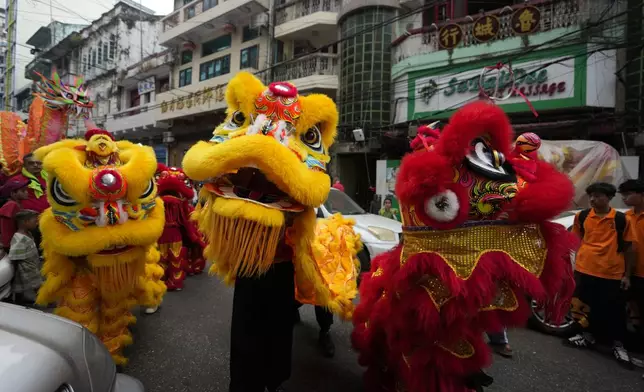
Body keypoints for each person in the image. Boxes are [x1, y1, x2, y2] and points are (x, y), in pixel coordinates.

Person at [566, 182, 633, 367]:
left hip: (611, 272)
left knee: (615, 311)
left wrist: (627, 275)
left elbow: (628, 248)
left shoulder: (621, 219)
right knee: (587, 306)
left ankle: (619, 345)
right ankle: (587, 336)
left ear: (609, 197)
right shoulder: (582, 216)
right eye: (591, 196)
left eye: (598, 196)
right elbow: (576, 241)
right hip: (585, 268)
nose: (593, 200)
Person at [618, 180, 644, 349]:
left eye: (627, 195)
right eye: (623, 195)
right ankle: (637, 339)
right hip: (630, 272)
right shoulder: (626, 217)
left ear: (640, 194)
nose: (624, 199)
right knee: (633, 307)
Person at [9, 209, 43, 306]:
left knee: (20, 286)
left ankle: (20, 301)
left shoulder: (28, 234)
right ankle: (46, 301)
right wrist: (16, 271)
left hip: (31, 263)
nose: (36, 224)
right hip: (26, 266)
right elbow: (14, 256)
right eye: (34, 221)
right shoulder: (19, 238)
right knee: (38, 284)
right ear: (25, 222)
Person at [0, 177, 30, 253]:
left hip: (16, 242)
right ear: (13, 194)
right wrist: (8, 246)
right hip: (12, 245)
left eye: (26, 190)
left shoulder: (17, 204)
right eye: (23, 191)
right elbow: (6, 227)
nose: (27, 192)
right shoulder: (11, 205)